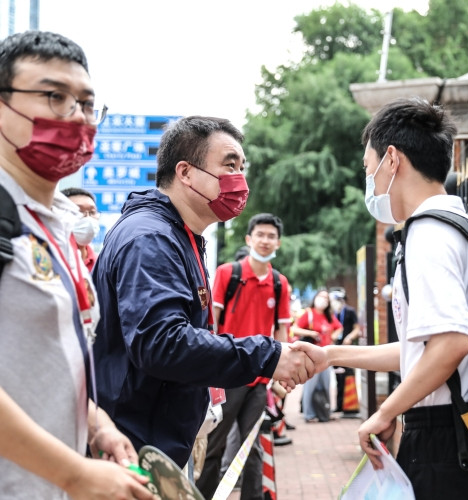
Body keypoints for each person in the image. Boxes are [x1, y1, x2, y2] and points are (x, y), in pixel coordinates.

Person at [295, 97, 468, 499]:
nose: (369, 181)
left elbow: (451, 344)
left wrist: (386, 411)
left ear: (391, 159)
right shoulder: (463, 227)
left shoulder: (428, 236)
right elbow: (421, 350)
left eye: (368, 169)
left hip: (449, 443)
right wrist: (332, 355)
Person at [92, 116, 316, 470]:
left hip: (156, 439)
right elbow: (162, 343)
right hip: (135, 447)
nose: (239, 180)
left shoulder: (180, 236)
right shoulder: (152, 240)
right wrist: (268, 355)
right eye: (229, 166)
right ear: (185, 172)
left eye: (242, 168)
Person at [0, 30, 153, 499]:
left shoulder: (56, 225)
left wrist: (95, 423)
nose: (76, 116)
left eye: (86, 103)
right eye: (53, 96)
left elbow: (49, 352)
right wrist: (74, 473)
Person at [196, 213, 292, 500]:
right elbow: (210, 324)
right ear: (249, 239)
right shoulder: (229, 274)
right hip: (227, 375)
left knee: (253, 446)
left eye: (271, 236)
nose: (265, 241)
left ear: (278, 242)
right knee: (215, 446)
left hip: (259, 380)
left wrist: (281, 374)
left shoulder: (279, 283)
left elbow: (282, 334)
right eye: (260, 235)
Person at [291, 288, 342, 422]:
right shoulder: (309, 314)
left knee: (326, 385)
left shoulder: (328, 316)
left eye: (326, 298)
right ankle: (309, 415)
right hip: (311, 356)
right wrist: (311, 333)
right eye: (321, 297)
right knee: (310, 386)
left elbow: (339, 327)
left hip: (327, 355)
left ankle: (324, 412)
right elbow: (294, 329)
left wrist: (333, 337)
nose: (323, 300)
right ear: (315, 298)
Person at [329, 289, 361, 413]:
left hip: (347, 347)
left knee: (347, 375)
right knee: (338, 377)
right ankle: (338, 405)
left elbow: (357, 329)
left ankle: (349, 405)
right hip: (336, 347)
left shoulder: (350, 311)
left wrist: (349, 337)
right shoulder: (332, 314)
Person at [61, 187, 99, 271]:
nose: (87, 218)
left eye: (92, 212)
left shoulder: (101, 264)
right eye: (78, 211)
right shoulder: (53, 259)